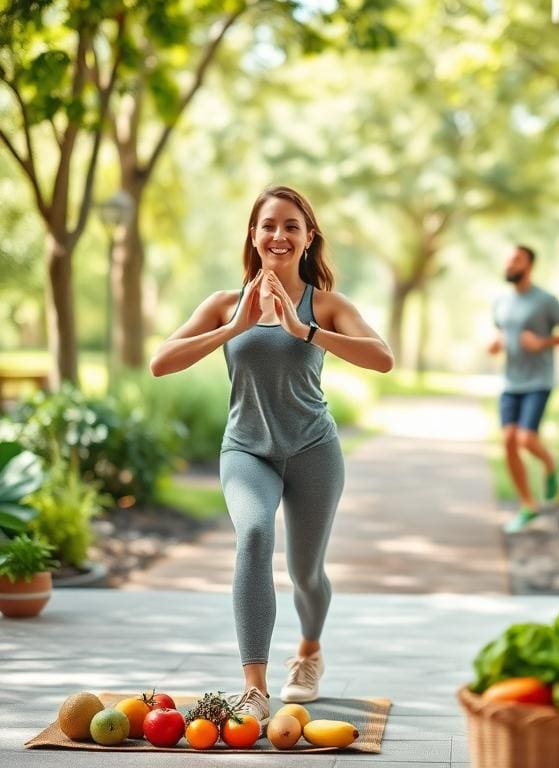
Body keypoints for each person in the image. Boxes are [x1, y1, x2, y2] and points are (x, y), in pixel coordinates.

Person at [149, 185, 393, 726]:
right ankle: (254, 688)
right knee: (255, 533)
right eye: (268, 225)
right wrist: (234, 327)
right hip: (246, 451)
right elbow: (160, 362)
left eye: (291, 227)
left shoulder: (325, 304)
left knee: (307, 573)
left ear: (308, 239)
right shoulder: (222, 303)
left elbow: (382, 359)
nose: (278, 235)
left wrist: (304, 329)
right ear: (253, 236)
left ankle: (308, 652)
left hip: (313, 450)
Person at [488, 244, 559, 533]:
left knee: (526, 439)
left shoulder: (545, 301)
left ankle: (550, 462)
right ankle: (528, 505)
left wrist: (543, 343)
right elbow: (502, 332)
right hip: (510, 382)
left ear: (529, 265)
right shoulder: (501, 301)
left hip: (538, 381)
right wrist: (497, 343)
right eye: (507, 259)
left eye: (515, 259)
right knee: (508, 441)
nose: (509, 264)